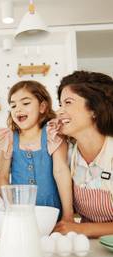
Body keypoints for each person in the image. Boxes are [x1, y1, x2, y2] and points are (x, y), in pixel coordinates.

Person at [0, 80, 73, 221]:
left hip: (52, 212)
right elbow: (3, 176)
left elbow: (61, 172)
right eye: (13, 105)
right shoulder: (8, 139)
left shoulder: (52, 134)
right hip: (20, 213)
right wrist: (9, 208)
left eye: (26, 103)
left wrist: (68, 215)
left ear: (42, 106)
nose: (18, 109)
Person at [54, 70, 113, 238]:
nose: (59, 112)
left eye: (68, 102)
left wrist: (81, 229)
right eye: (60, 104)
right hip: (89, 249)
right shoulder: (69, 155)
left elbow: (77, 228)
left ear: (94, 109)